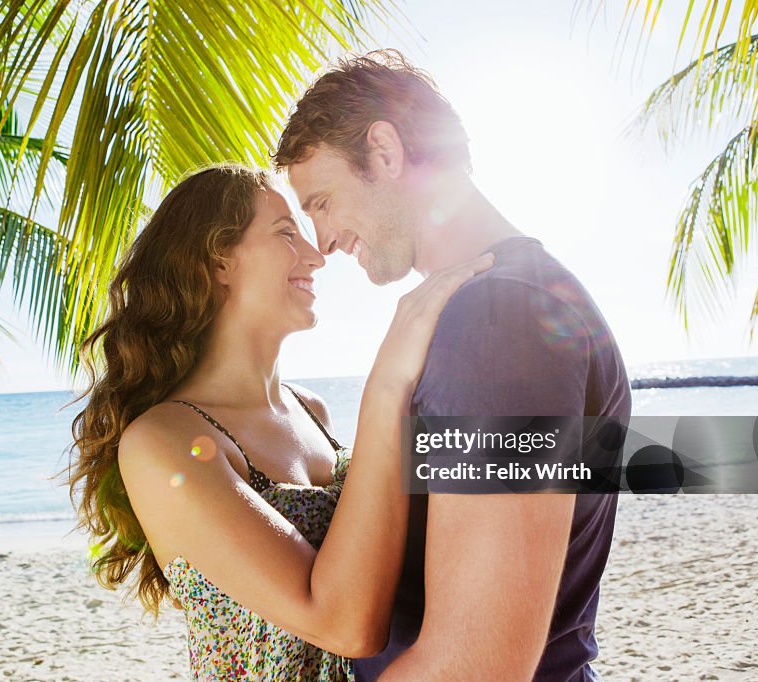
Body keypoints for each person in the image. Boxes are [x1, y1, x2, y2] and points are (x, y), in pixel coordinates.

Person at [275, 50, 632, 681]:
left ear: (384, 152)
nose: (322, 242)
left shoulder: (499, 321)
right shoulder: (506, 305)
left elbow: (477, 668)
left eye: (323, 201)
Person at [67, 164, 494, 680]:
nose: (316, 256)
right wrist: (386, 384)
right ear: (219, 260)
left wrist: (609, 456)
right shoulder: (163, 443)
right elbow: (344, 626)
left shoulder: (312, 412)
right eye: (286, 233)